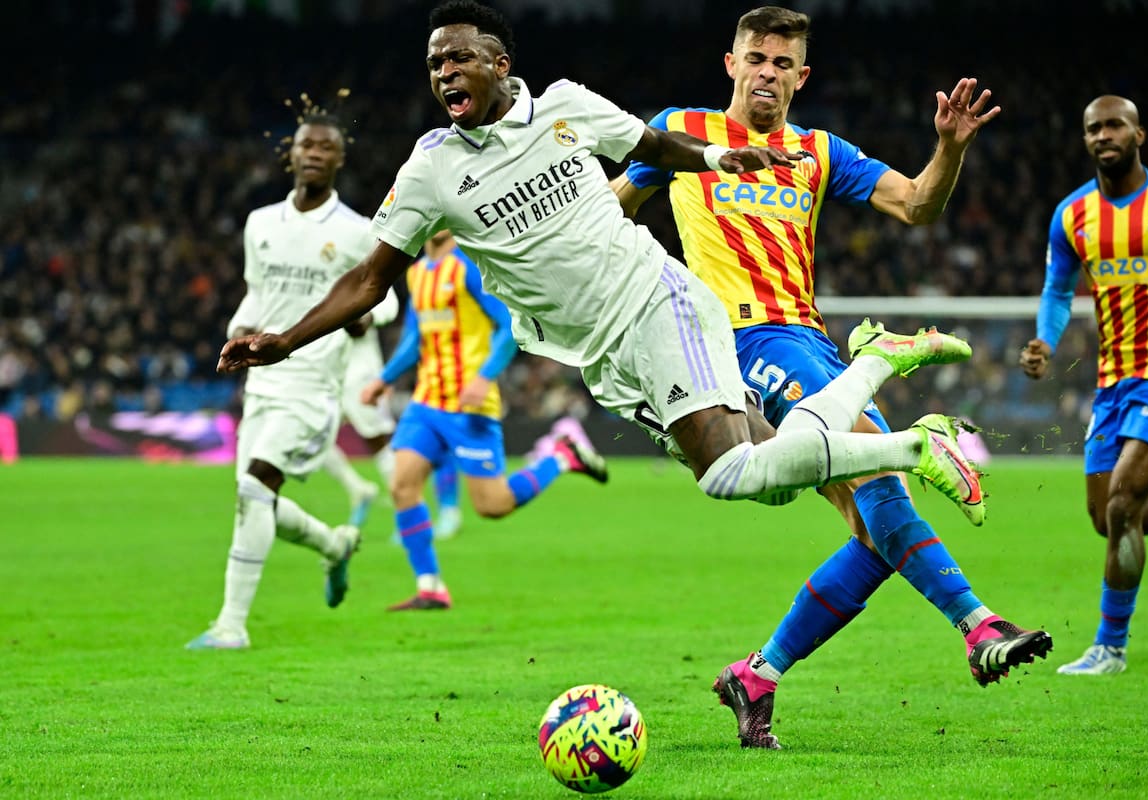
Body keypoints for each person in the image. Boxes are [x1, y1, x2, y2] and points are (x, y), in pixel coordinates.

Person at [217, 1, 985, 592]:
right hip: (603, 356)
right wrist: (283, 339)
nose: (444, 73)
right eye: (433, 64)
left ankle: (907, 439)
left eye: (459, 58)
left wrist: (718, 156)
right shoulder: (429, 171)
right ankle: (883, 374)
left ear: (498, 62)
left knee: (727, 473)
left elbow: (653, 148)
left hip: (656, 301)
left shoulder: (565, 107)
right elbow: (369, 280)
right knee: (766, 479)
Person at [613, 6, 1051, 747]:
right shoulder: (682, 130)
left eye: (783, 64)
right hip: (742, 342)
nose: (768, 74)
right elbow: (611, 215)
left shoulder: (819, 151)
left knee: (876, 532)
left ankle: (758, 674)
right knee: (881, 481)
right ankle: (979, 626)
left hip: (811, 344)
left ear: (801, 76)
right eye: (757, 58)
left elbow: (916, 204)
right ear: (731, 63)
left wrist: (949, 149)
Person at [186, 112, 386, 650]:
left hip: (312, 383)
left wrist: (362, 318)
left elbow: (379, 301)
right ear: (291, 154)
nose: (316, 153)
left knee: (254, 487)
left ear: (340, 160)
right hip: (262, 383)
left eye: (327, 147)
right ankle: (333, 543)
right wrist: (240, 329)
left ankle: (231, 625)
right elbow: (257, 293)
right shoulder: (260, 224)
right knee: (254, 499)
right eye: (307, 145)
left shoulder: (357, 230)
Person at [1021, 95, 1148, 676]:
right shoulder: (1072, 215)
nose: (1104, 134)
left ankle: (1109, 646)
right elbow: (1056, 290)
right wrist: (1046, 340)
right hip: (1113, 381)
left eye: (1115, 124)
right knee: (1108, 517)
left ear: (1139, 134)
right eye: (1094, 127)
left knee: (1124, 500)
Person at [359, 230, 608, 610]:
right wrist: (385, 378)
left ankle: (561, 456)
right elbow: (415, 337)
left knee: (493, 505)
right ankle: (430, 587)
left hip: (469, 403)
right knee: (402, 485)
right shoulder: (418, 271)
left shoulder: (469, 266)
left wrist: (483, 377)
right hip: (427, 400)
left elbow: (510, 326)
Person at [321, 286, 402, 530]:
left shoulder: (362, 255)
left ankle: (405, 513)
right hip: (324, 370)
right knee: (311, 439)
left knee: (377, 440)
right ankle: (358, 488)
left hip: (361, 371)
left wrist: (370, 317)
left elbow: (389, 302)